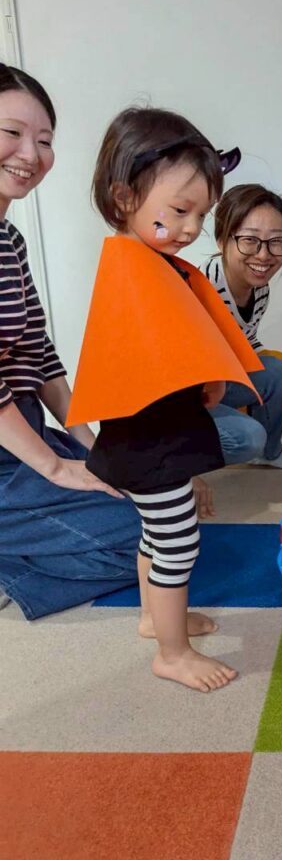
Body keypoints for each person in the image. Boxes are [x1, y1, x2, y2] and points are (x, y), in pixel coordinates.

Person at [69, 106, 261, 691]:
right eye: (179, 211)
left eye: (199, 216)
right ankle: (172, 653)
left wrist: (207, 378)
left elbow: (172, 345)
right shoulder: (133, 268)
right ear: (125, 197)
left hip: (151, 438)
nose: (190, 228)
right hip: (149, 444)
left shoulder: (151, 266)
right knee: (178, 539)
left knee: (157, 534)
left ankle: (156, 619)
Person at [0, 64, 142, 619]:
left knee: (156, 512)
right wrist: (57, 469)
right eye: (12, 133)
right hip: (13, 446)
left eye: (44, 140)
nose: (31, 154)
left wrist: (90, 450)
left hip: (22, 433)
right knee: (143, 541)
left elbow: (40, 355)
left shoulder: (10, 239)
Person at [202, 184, 282, 470]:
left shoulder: (259, 289)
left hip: (220, 380)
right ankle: (177, 463)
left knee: (277, 369)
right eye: (250, 240)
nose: (264, 255)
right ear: (222, 240)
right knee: (248, 436)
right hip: (187, 395)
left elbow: (246, 340)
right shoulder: (202, 288)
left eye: (276, 241)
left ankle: (269, 453)